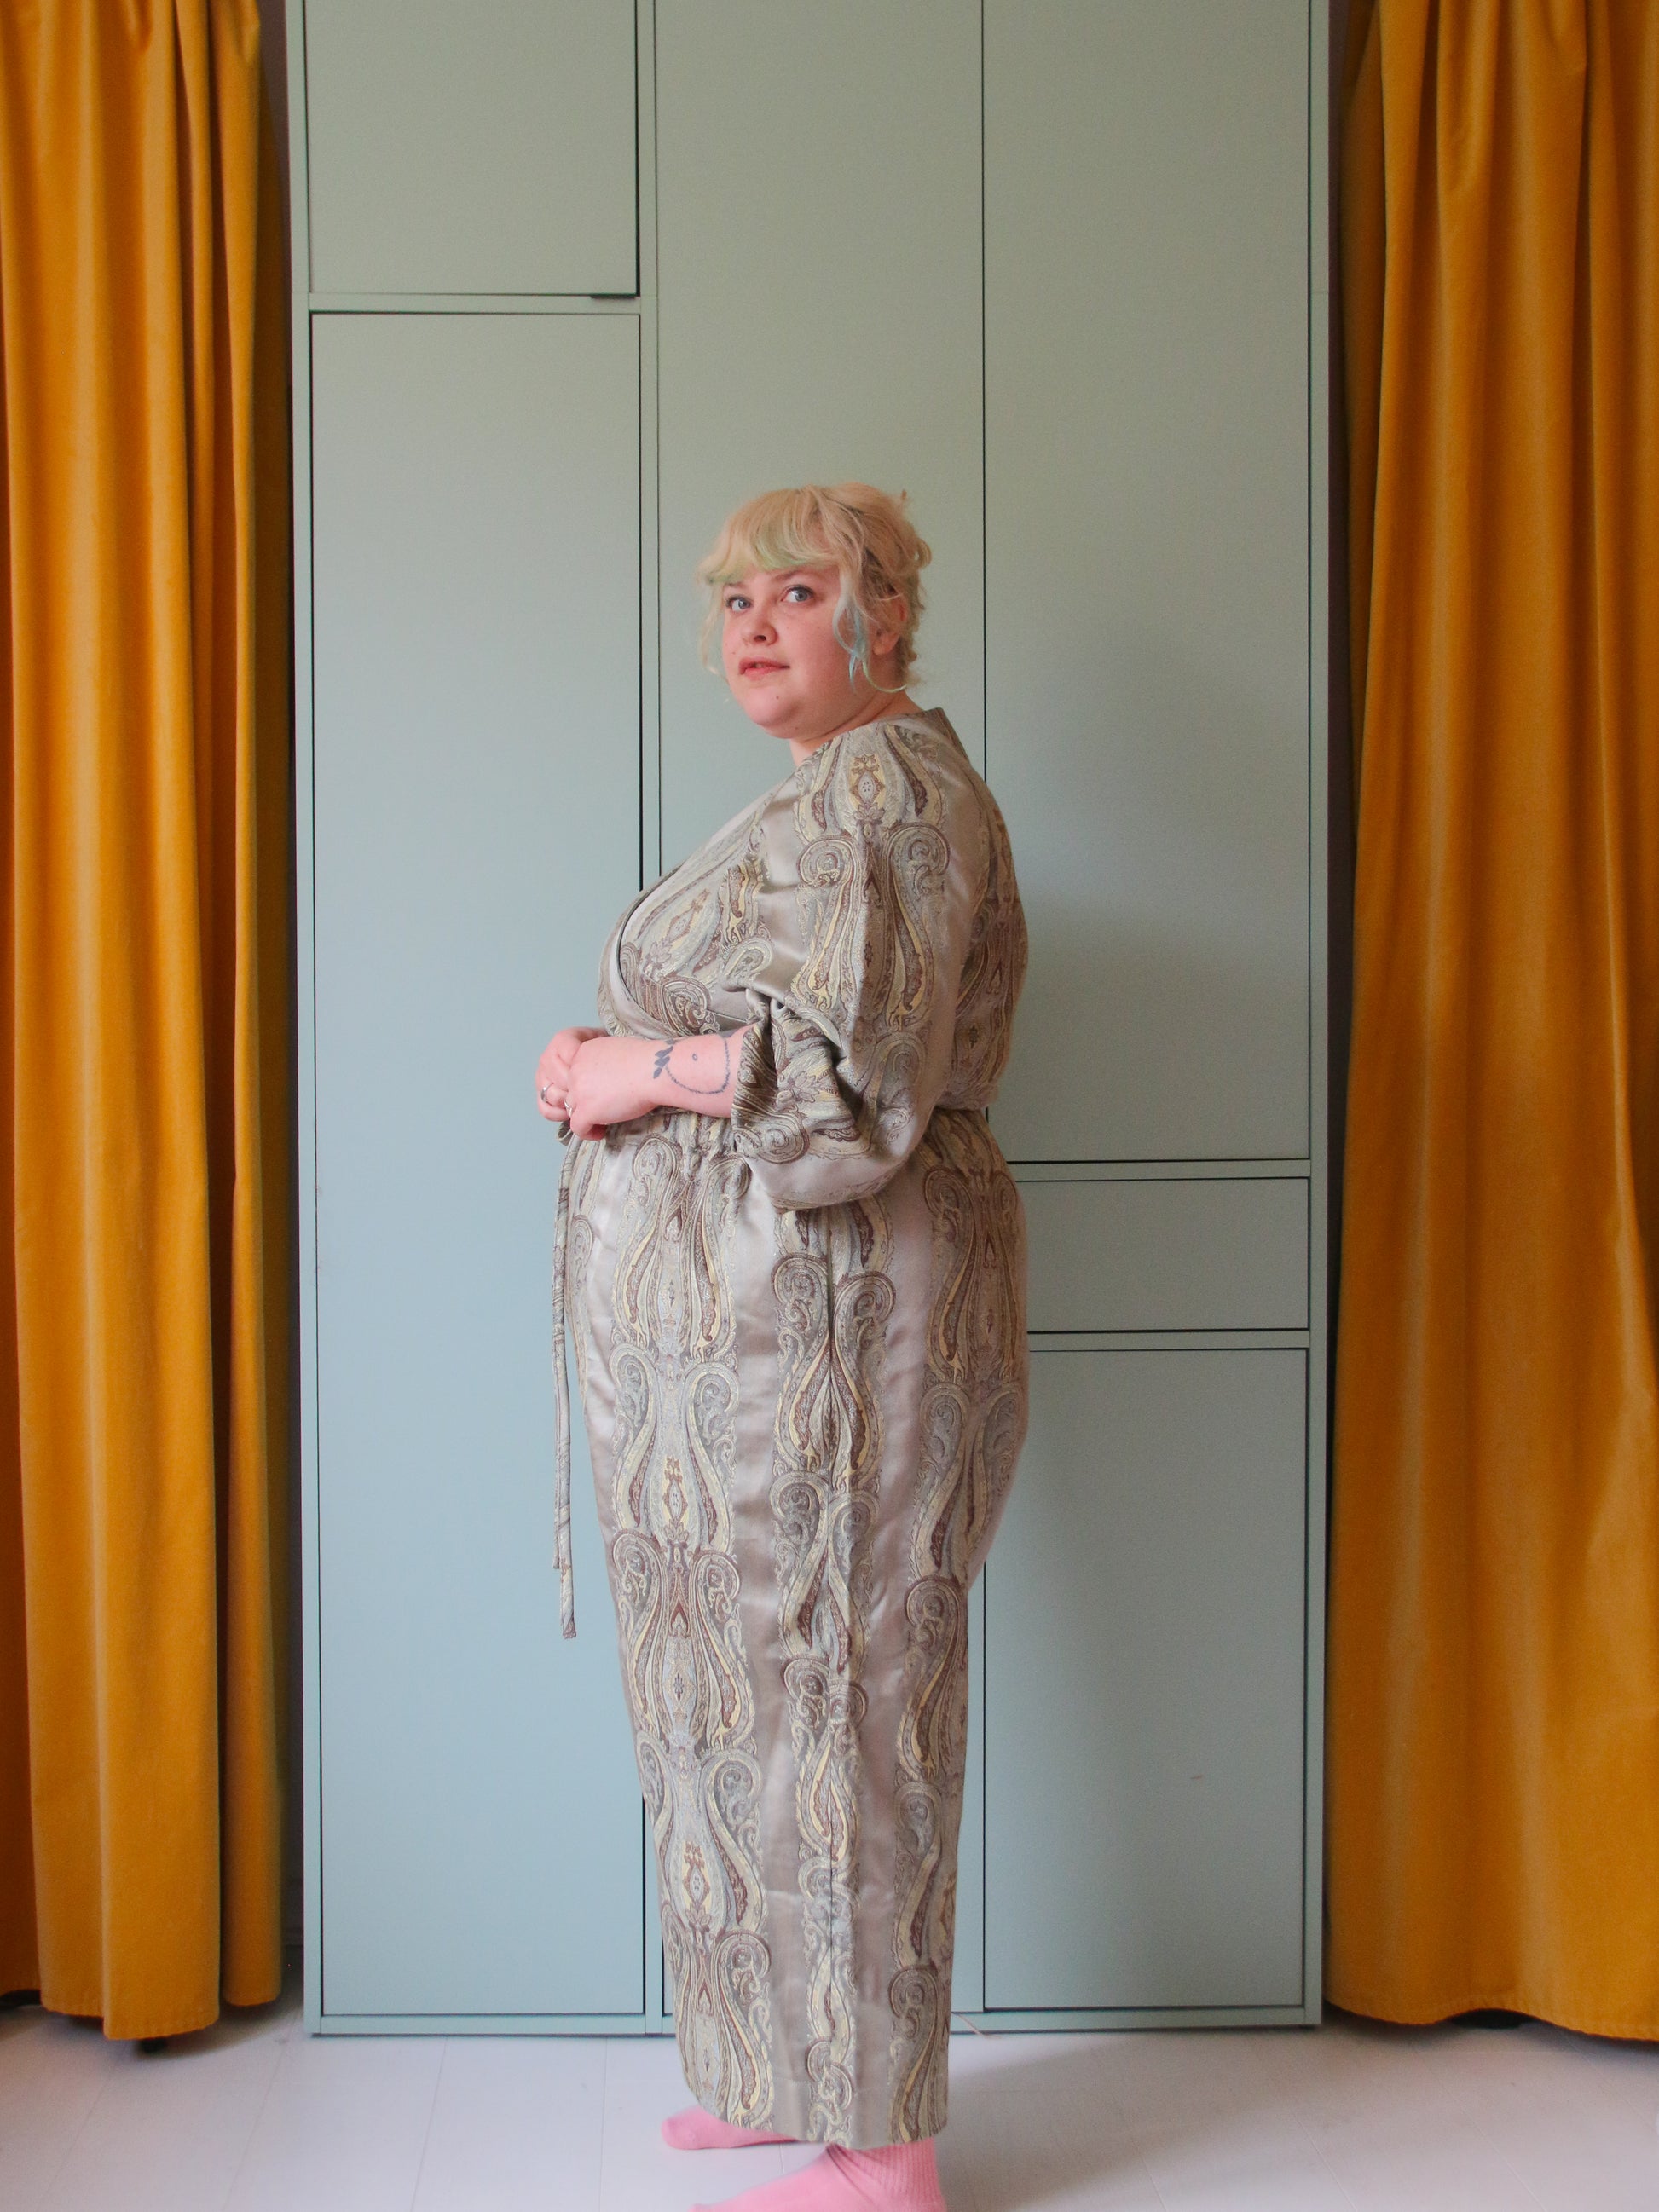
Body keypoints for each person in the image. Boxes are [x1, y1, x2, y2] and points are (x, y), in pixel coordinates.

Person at [536, 483, 1028, 2212]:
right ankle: (785, 2076)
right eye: (734, 597)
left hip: (837, 1328)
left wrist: (633, 1071)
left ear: (881, 616)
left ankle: (883, 2153)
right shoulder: (825, 790)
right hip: (749, 1349)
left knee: (845, 1699)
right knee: (747, 1706)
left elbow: (846, 1092)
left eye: (797, 590)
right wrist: (615, 1063)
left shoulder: (889, 792)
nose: (753, 623)